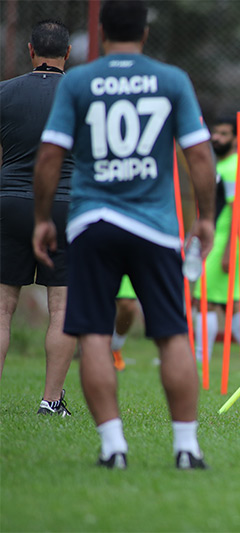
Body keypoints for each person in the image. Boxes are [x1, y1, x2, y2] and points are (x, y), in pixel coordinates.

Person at [32, 0, 216, 469]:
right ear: (145, 34)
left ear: (100, 32)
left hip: (93, 222)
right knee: (173, 334)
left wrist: (42, 219)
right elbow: (198, 156)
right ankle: (186, 448)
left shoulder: (77, 81)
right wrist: (206, 217)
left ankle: (114, 447)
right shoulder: (171, 79)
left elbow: (50, 156)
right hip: (155, 226)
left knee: (94, 332)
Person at [0, 19, 76, 416]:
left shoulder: (5, 93)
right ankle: (51, 401)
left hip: (9, 202)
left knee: (1, 308)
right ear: (67, 53)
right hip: (64, 204)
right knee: (62, 309)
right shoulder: (81, 95)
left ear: (30, 51)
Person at [192, 116, 240, 373]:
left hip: (226, 243)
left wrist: (228, 251)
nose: (217, 138)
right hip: (221, 242)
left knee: (204, 301)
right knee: (231, 304)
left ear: (235, 138)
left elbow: (237, 212)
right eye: (215, 133)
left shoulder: (235, 168)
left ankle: (200, 360)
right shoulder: (221, 165)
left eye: (224, 134)